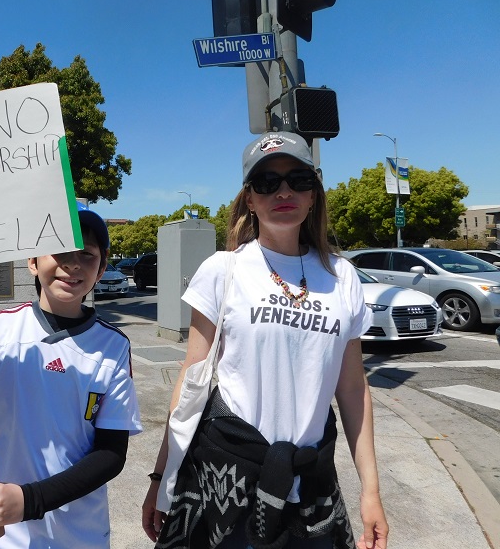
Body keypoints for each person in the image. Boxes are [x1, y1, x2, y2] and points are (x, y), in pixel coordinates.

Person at [141, 131, 388, 549]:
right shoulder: (224, 269)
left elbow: (352, 388)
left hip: (312, 487)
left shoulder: (342, 276)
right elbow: (192, 381)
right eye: (267, 183)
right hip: (230, 484)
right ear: (250, 200)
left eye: (298, 179)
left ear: (314, 194)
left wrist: (371, 492)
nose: (284, 191)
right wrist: (162, 477)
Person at [0, 202, 142, 548]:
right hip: (1, 538)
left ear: (102, 268)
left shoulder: (113, 347)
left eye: (87, 254)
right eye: (59, 249)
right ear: (33, 261)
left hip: (79, 534)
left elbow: (111, 454)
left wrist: (28, 501)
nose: (72, 264)